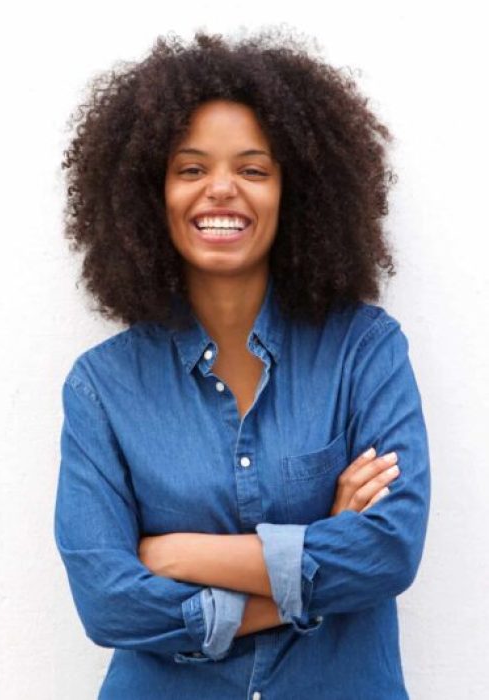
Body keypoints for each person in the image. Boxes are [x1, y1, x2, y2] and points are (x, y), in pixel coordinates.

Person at [54, 28, 430, 699]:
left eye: (253, 169)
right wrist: (315, 557)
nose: (221, 190)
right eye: (191, 168)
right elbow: (108, 604)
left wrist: (177, 556)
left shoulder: (365, 351)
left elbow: (388, 550)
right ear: (149, 192)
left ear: (297, 193)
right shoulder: (102, 388)